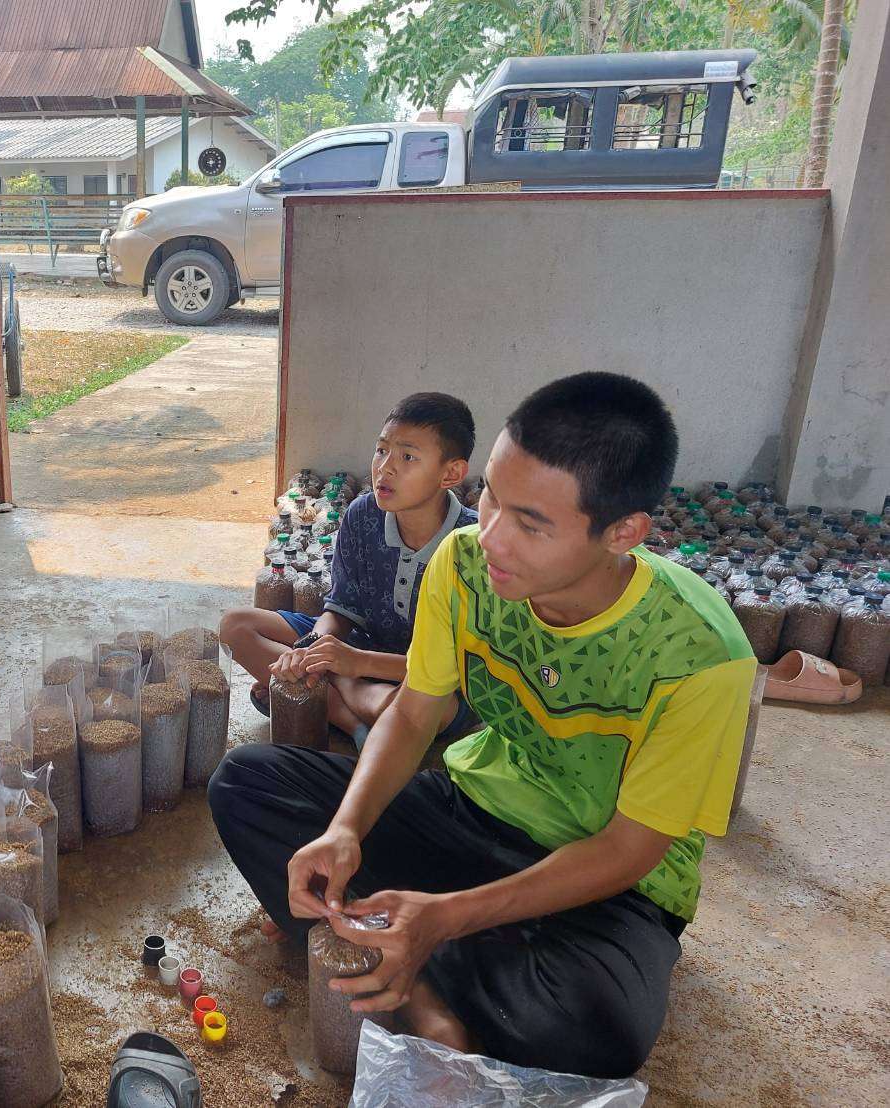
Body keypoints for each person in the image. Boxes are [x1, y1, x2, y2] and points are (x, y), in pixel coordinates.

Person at [209, 372, 756, 1078]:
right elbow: (415, 710)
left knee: (594, 1029)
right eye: (491, 496)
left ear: (622, 532)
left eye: (530, 524)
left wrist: (442, 917)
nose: (490, 537)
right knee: (247, 784)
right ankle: (433, 991)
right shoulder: (461, 566)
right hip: (473, 808)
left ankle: (408, 947)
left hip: (610, 879)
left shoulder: (699, 654)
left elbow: (631, 847)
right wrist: (346, 827)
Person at [221, 392, 479, 744]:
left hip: (427, 677)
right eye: (381, 449)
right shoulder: (362, 515)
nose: (385, 467)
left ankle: (329, 694)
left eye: (408, 457)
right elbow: (342, 609)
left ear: (451, 473)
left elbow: (458, 667)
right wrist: (311, 647)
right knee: (235, 626)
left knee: (407, 707)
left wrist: (354, 664)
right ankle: (352, 722)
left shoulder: (472, 545)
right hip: (358, 644)